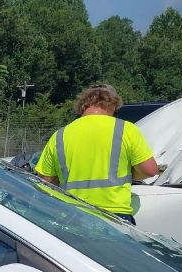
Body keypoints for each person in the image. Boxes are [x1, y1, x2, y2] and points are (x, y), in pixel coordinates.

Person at [35, 84, 159, 224]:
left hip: (71, 216)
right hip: (114, 216)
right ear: (113, 105)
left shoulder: (60, 135)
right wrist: (132, 173)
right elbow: (150, 170)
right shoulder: (125, 129)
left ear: (83, 105)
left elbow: (45, 181)